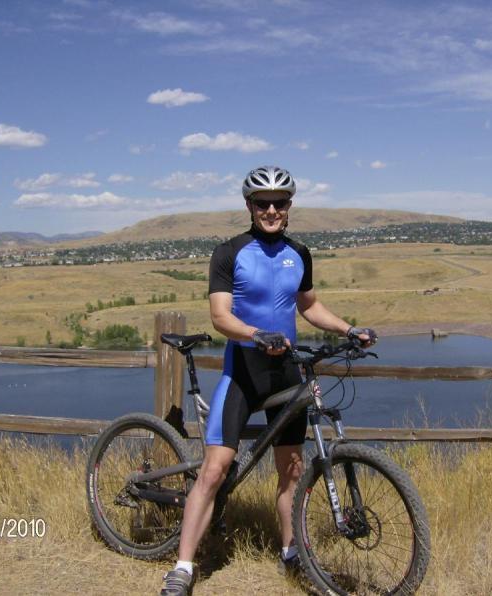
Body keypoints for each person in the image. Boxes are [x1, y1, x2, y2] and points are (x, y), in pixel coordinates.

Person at [160, 165, 376, 595]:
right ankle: (183, 567)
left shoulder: (300, 252)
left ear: (290, 206)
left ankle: (292, 553)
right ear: (249, 206)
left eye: (280, 202)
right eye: (263, 203)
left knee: (292, 470)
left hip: (286, 371)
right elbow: (221, 316)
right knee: (215, 469)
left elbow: (309, 307)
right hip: (243, 371)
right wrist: (256, 335)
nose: (272, 210)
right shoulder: (229, 252)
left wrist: (349, 329)